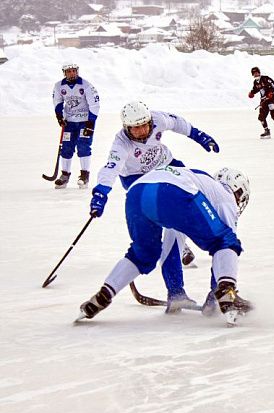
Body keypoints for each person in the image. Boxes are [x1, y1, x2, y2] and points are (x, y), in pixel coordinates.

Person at [89, 101, 220, 312]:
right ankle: (176, 277)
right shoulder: (121, 143)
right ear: (126, 127)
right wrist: (100, 193)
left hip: (167, 165)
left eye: (144, 125)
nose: (141, 131)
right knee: (156, 220)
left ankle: (178, 250)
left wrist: (199, 136)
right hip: (138, 178)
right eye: (135, 128)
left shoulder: (158, 119)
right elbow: (110, 168)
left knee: (192, 195)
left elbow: (179, 124)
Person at [79, 165, 252, 325]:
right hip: (174, 192)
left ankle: (105, 294)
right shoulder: (225, 196)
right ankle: (227, 295)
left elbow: (172, 243)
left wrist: (175, 291)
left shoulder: (202, 183)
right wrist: (217, 296)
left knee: (143, 254)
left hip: (137, 193)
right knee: (225, 239)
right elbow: (224, 247)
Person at [52, 63, 100, 189]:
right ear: (64, 73)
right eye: (69, 71)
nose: (72, 73)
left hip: (85, 121)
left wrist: (91, 122)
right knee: (66, 148)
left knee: (83, 146)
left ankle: (84, 176)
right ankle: (65, 175)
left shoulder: (86, 85)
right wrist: (59, 116)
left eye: (74, 71)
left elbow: (94, 104)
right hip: (69, 122)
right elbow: (57, 102)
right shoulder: (59, 86)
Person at [249, 67, 274, 139]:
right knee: (261, 117)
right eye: (254, 73)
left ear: (259, 73)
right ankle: (267, 131)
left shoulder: (265, 78)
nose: (256, 74)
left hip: (272, 99)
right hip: (264, 101)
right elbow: (255, 89)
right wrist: (251, 93)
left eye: (257, 73)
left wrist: (271, 92)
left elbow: (273, 84)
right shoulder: (255, 82)